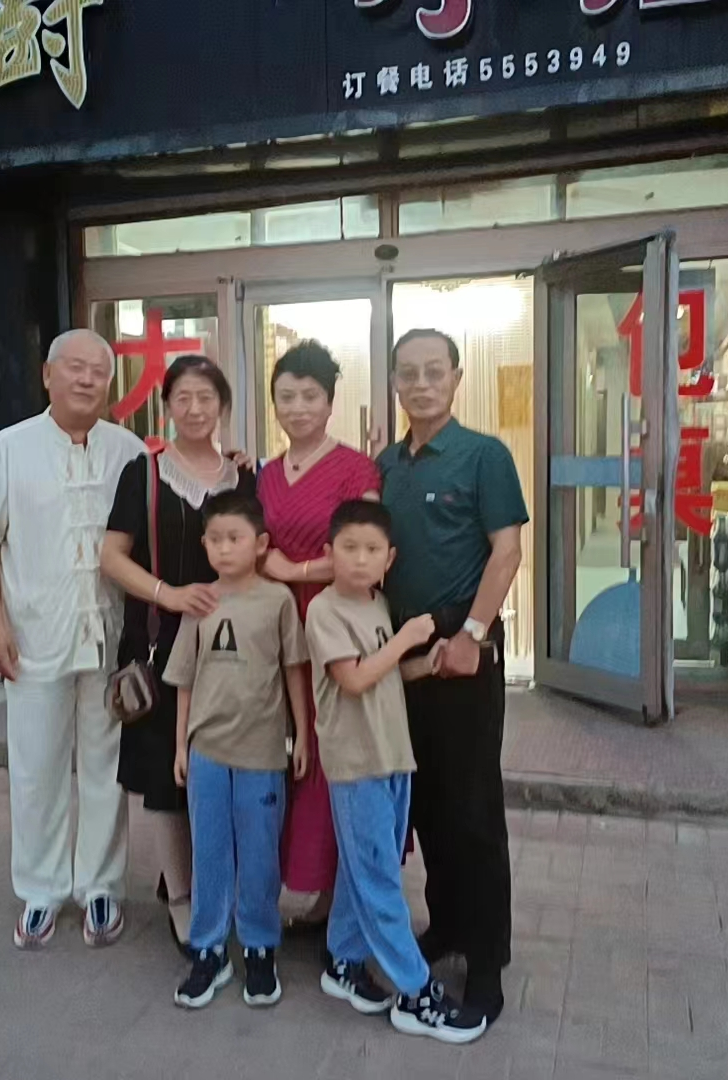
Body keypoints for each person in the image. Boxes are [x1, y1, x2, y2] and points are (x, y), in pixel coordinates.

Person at [0, 328, 146, 951]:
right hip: (33, 636)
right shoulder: (8, 449)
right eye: (75, 367)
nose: (87, 379)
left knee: (105, 767)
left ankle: (100, 886)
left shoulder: (129, 451)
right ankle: (41, 889)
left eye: (99, 370)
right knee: (36, 767)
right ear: (47, 375)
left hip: (108, 636)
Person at [378, 328, 527, 1026]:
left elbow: (507, 551)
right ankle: (447, 927)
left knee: (473, 813)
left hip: (463, 652)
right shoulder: (386, 464)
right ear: (394, 382)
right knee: (428, 808)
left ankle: (487, 967)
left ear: (457, 377)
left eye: (433, 371)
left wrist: (472, 633)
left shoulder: (484, 456)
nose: (421, 384)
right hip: (402, 656)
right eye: (408, 373)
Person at [306, 499, 486, 1045]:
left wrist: (422, 663)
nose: (360, 559)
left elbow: (383, 674)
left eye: (372, 550)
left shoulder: (379, 605)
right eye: (349, 548)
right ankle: (415, 993)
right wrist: (408, 638)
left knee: (362, 868)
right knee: (381, 880)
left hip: (393, 756)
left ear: (390, 558)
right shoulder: (324, 611)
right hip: (356, 762)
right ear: (328, 553)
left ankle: (343, 959)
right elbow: (354, 680)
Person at [100, 354, 257, 956]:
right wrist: (168, 593)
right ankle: (182, 895)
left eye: (206, 398)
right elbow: (111, 557)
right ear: (167, 406)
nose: (195, 409)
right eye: (183, 398)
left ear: (223, 407)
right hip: (160, 640)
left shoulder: (245, 477)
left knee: (220, 765)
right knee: (165, 770)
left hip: (231, 645)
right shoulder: (142, 474)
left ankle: (207, 878)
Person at [163, 492, 310, 1009]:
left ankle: (260, 947)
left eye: (235, 538)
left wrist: (302, 734)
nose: (224, 549)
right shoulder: (199, 601)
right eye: (215, 540)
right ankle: (207, 949)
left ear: (260, 543)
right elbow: (184, 679)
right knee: (208, 851)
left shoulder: (278, 601)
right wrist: (181, 744)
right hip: (207, 750)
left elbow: (294, 669)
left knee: (259, 854)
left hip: (262, 752)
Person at [257, 341, 381, 923]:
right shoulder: (264, 474)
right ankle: (309, 885)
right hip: (278, 630)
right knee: (294, 749)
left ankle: (341, 892)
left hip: (336, 623)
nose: (298, 407)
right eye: (286, 396)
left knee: (336, 752)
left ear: (331, 402)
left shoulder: (357, 469)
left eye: (310, 396)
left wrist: (295, 571)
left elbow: (365, 554)